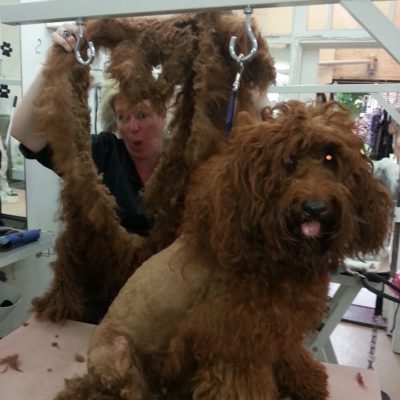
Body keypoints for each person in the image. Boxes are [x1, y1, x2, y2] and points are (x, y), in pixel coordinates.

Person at [11, 24, 167, 235]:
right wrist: (57, 58)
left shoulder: (183, 158)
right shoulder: (104, 154)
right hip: (112, 265)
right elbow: (25, 132)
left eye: (142, 115)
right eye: (122, 117)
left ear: (163, 114)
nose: (132, 127)